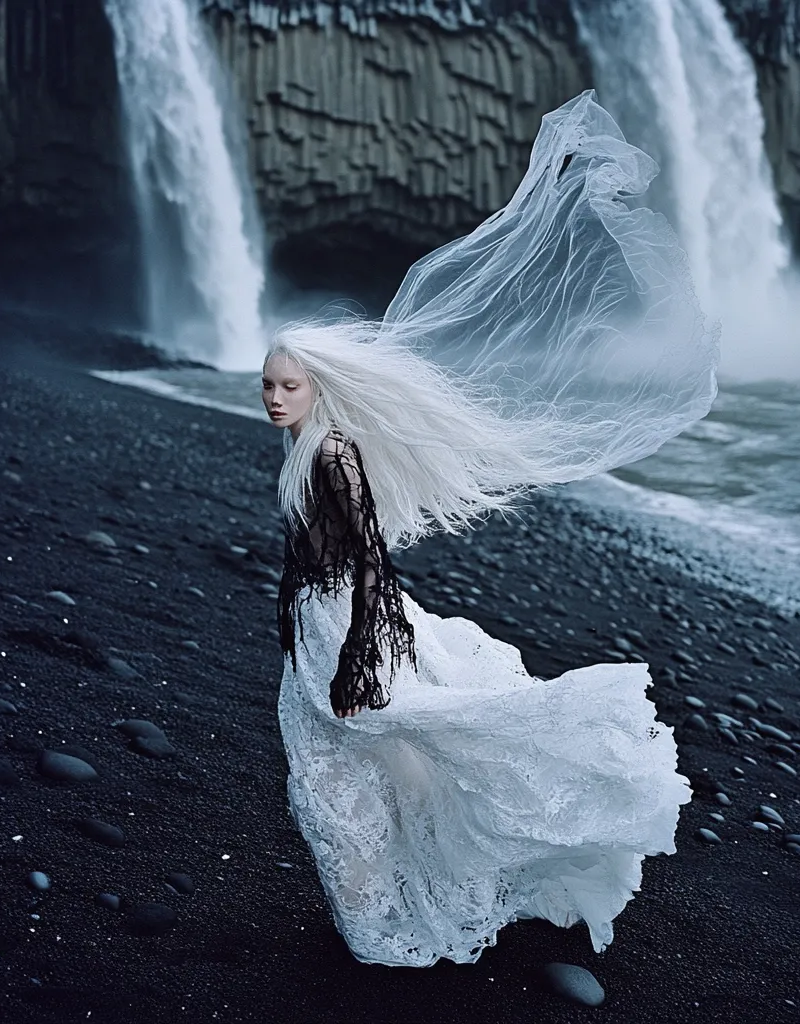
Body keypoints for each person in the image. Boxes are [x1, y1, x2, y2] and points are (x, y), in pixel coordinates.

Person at [262, 90, 718, 968]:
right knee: (357, 771)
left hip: (341, 631)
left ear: (323, 388)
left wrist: (361, 648)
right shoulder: (315, 450)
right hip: (320, 631)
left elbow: (364, 561)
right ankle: (391, 905)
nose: (276, 398)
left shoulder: (333, 459)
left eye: (290, 385)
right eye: (269, 387)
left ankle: (389, 923)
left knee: (341, 774)